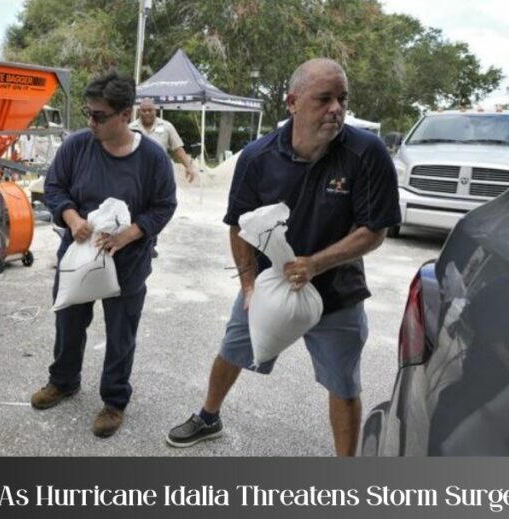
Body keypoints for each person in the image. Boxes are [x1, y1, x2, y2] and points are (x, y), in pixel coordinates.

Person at [165, 58, 400, 455]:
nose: (336, 109)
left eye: (342, 98)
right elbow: (238, 226)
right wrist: (248, 286)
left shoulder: (367, 153)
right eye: (323, 99)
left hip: (336, 292)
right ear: (292, 103)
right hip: (267, 284)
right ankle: (208, 416)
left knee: (344, 383)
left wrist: (315, 264)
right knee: (232, 349)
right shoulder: (258, 157)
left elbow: (374, 230)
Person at [30, 73, 177, 438]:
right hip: (77, 257)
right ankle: (63, 381)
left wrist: (130, 234)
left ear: (125, 115)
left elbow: (164, 205)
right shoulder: (78, 146)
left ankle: (114, 400)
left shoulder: (153, 159)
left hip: (127, 262)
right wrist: (72, 217)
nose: (91, 122)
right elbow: (54, 186)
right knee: (68, 322)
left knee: (120, 332)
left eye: (99, 115)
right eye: (88, 113)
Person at [130, 97, 197, 258]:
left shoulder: (166, 127)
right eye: (144, 110)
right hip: (136, 175)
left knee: (156, 209)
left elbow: (178, 148)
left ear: (156, 110)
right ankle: (140, 240)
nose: (146, 113)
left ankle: (151, 242)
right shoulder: (131, 127)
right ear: (139, 111)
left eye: (150, 110)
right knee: (138, 208)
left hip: (159, 177)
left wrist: (189, 166)